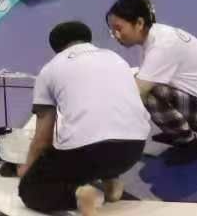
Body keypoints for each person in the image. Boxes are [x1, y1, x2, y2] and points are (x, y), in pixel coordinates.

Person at [18, 21, 150, 216]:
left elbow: (43, 139)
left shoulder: (50, 69)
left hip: (88, 154)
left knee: (31, 190)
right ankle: (111, 182)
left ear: (56, 48)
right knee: (105, 127)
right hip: (133, 149)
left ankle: (79, 195)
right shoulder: (115, 58)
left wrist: (27, 169)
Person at [106, 0, 197, 151]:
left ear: (139, 23)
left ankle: (188, 145)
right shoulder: (158, 34)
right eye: (112, 30)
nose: (116, 35)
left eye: (119, 28)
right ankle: (176, 130)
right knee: (143, 84)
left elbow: (137, 94)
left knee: (149, 95)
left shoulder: (162, 46)